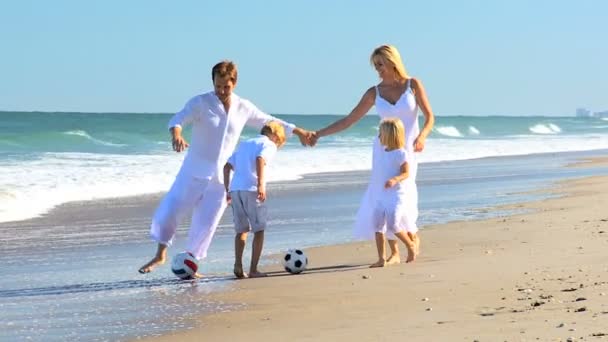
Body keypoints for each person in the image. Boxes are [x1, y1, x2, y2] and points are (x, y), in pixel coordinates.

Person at [138, 60, 313, 276]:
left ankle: (190, 264)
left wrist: (300, 132)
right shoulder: (201, 102)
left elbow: (269, 121)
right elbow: (179, 119)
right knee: (168, 212)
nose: (221, 91)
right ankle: (160, 254)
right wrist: (177, 134)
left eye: (226, 87)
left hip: (222, 178)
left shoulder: (243, 107)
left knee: (206, 225)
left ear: (234, 83)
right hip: (193, 170)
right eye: (217, 86)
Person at [312, 44, 435, 264]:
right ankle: (395, 252)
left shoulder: (412, 85)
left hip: (408, 149)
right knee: (383, 196)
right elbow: (349, 120)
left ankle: (411, 234)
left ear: (392, 61)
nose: (378, 69)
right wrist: (319, 134)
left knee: (403, 192)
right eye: (375, 65)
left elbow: (430, 117)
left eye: (380, 64)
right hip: (383, 150)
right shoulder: (374, 92)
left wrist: (423, 136)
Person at [223, 121, 285, 279]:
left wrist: (227, 189)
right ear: (275, 135)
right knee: (259, 230)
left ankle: (238, 265)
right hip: (251, 190)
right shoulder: (268, 145)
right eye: (279, 140)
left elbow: (226, 166)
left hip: (236, 189)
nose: (278, 144)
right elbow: (260, 159)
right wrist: (260, 185)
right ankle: (253, 269)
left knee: (241, 230)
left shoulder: (245, 143)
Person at [369, 118, 416, 267]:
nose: (379, 136)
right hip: (381, 195)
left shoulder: (401, 153)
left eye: (381, 133)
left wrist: (395, 179)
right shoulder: (382, 151)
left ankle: (410, 246)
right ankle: (381, 259)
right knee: (377, 226)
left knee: (393, 226)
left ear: (390, 135)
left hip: (395, 196)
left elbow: (406, 173)